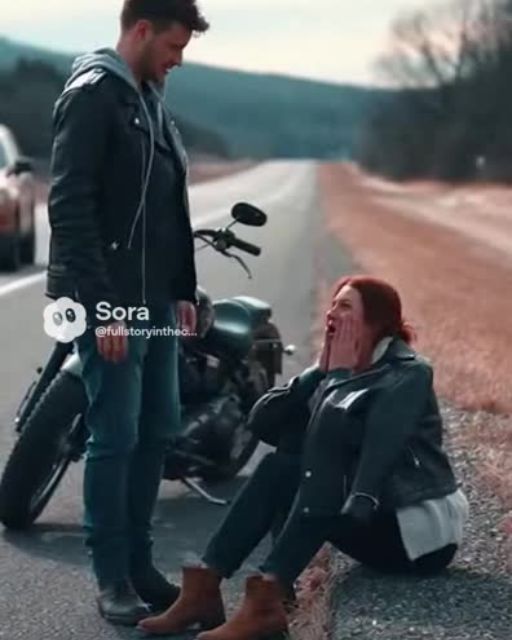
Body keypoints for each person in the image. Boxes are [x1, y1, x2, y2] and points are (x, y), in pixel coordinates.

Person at [137, 275, 469, 639]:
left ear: (376, 322)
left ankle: (268, 599)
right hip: (370, 512)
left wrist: (336, 376)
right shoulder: (344, 364)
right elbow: (261, 423)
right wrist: (315, 374)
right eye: (333, 304)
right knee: (281, 464)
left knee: (311, 468)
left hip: (414, 535)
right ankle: (208, 586)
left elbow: (351, 444)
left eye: (345, 306)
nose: (332, 313)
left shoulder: (408, 373)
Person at [45, 0, 209, 626]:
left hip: (155, 298)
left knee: (159, 426)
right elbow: (70, 204)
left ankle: (140, 565)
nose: (178, 60)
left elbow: (169, 207)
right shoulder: (94, 94)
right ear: (141, 30)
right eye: (173, 46)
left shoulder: (149, 99)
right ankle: (112, 575)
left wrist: (184, 289)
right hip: (111, 299)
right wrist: (102, 305)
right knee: (115, 434)